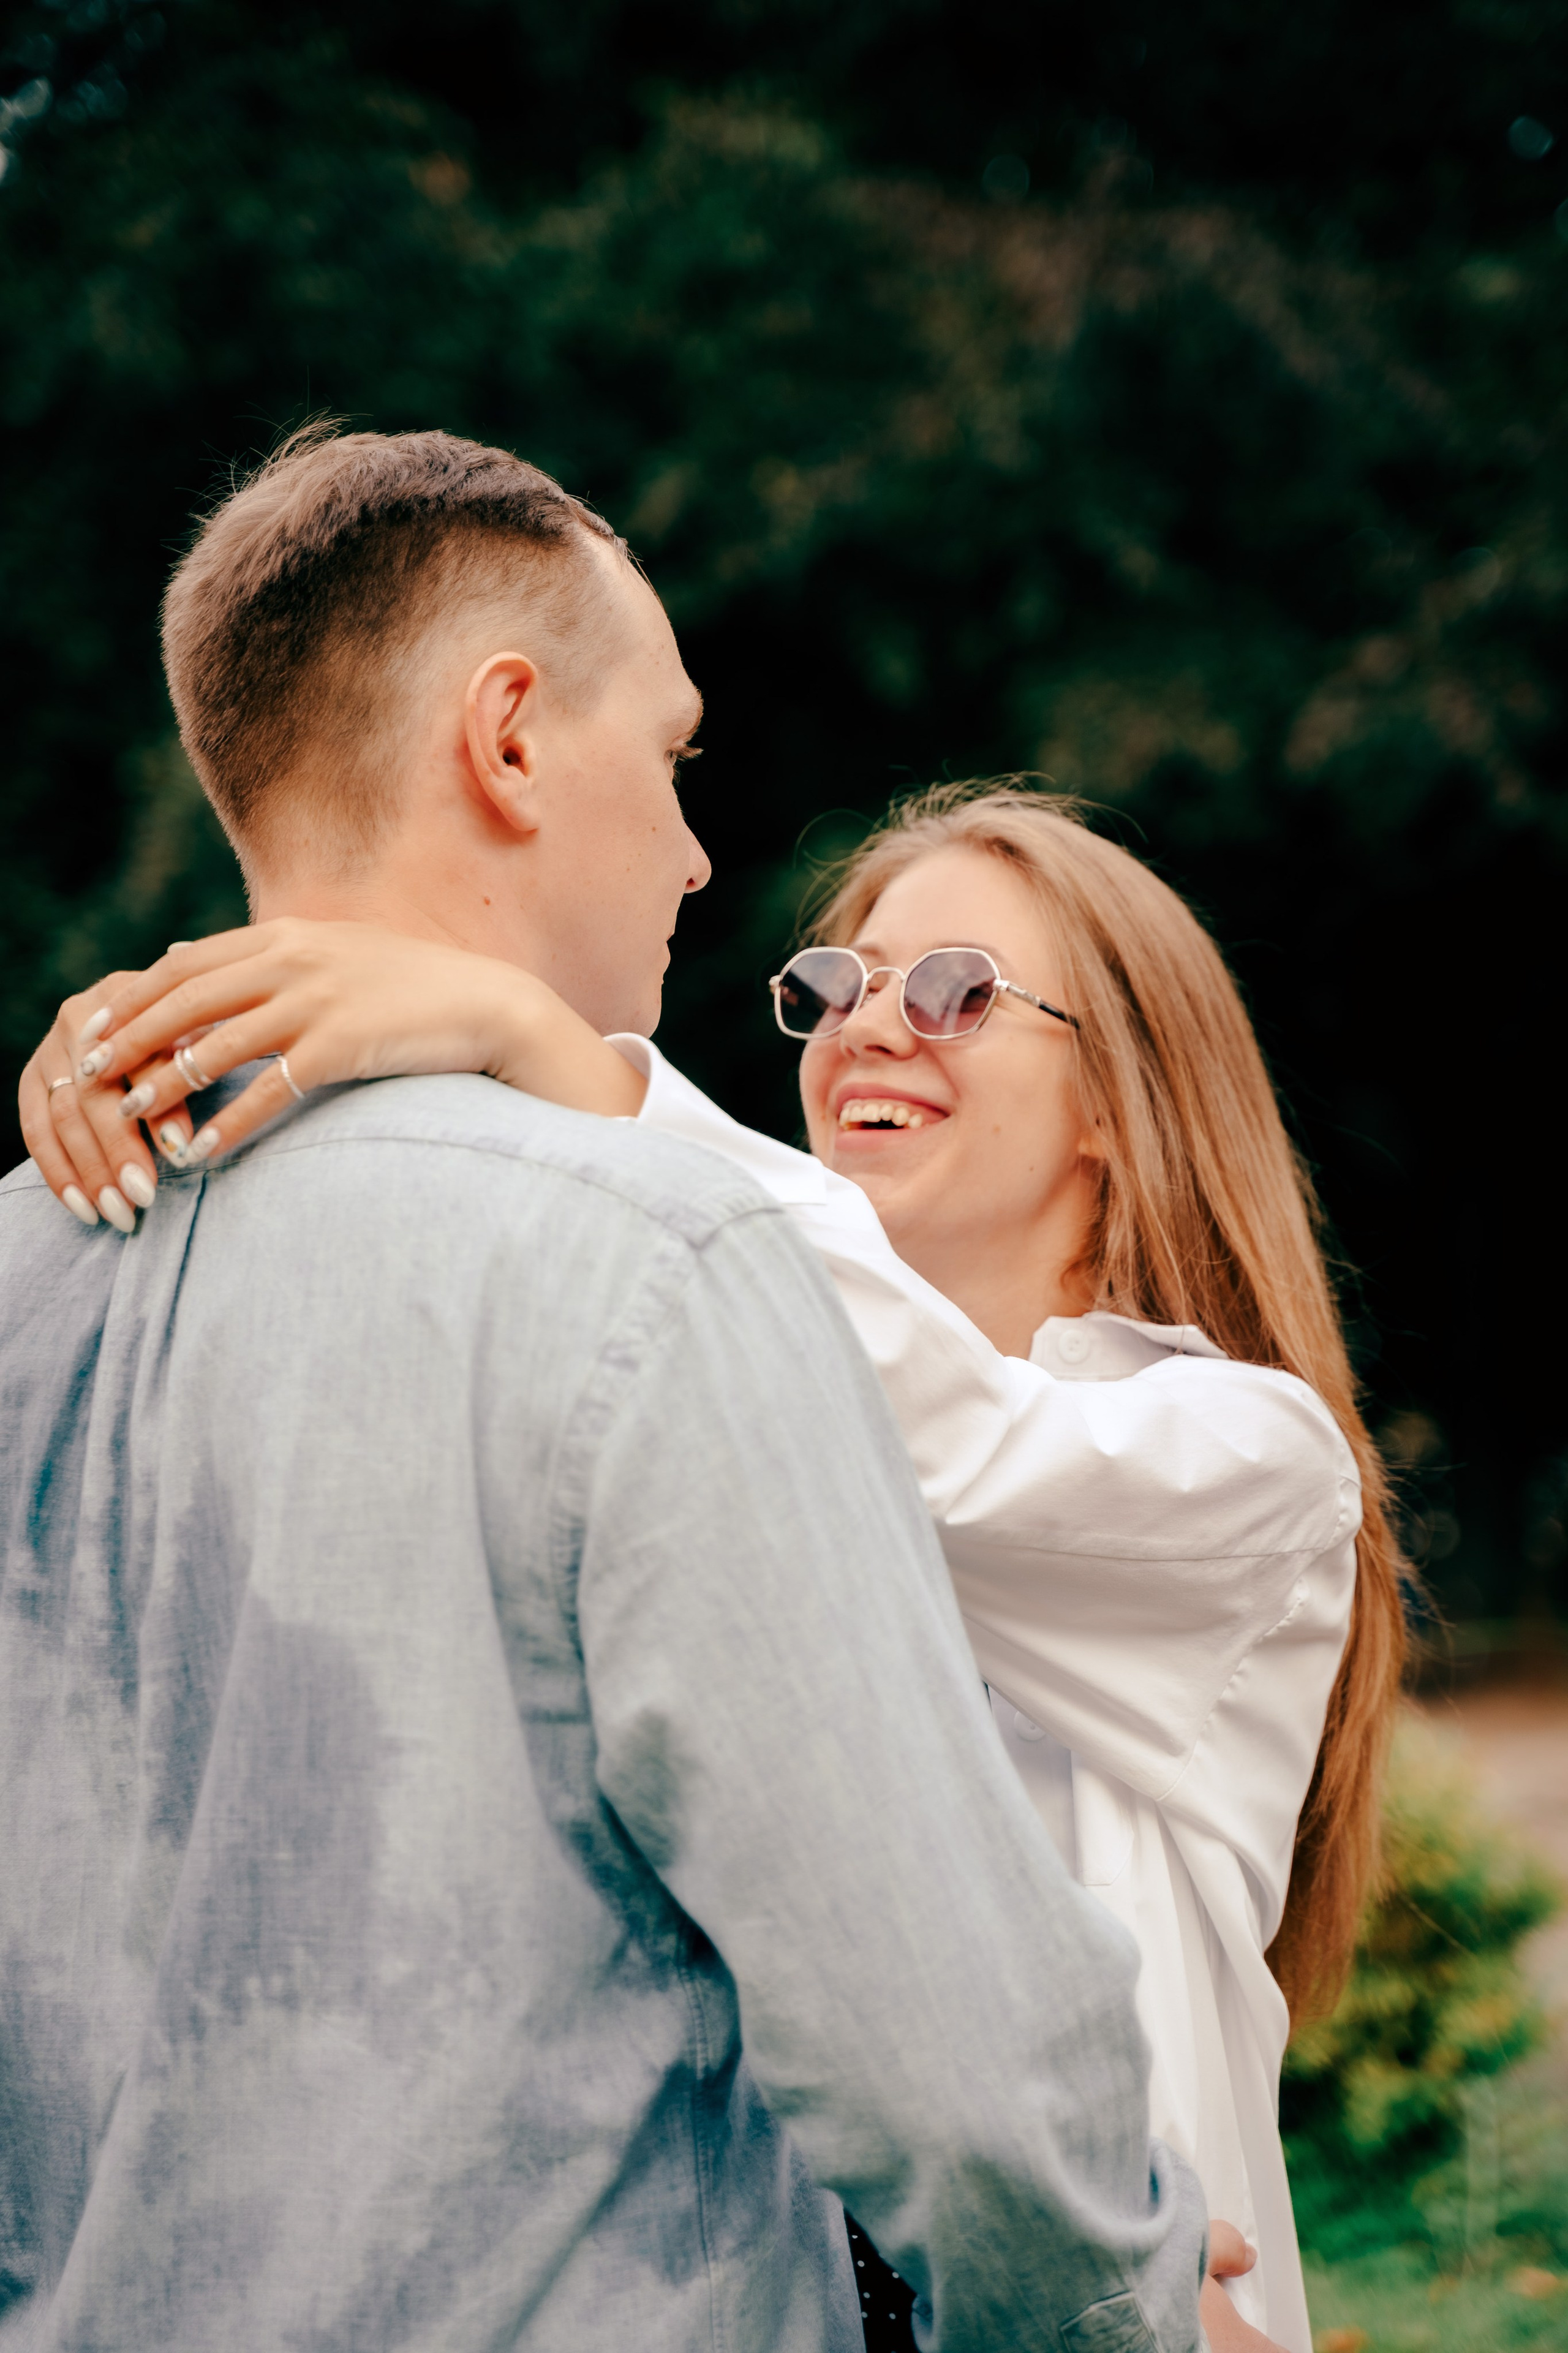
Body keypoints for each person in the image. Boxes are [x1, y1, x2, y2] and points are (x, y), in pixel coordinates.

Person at [0, 428, 1215, 2352]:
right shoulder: (658, 1266)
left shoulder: (20, 1270)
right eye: (672, 757)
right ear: (508, 742)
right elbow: (972, 2094)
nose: (698, 848)